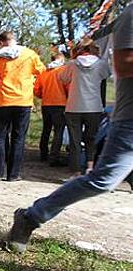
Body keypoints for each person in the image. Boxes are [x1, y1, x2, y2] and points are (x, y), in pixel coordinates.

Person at [7, 3, 133, 253]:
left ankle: (73, 168)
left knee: (72, 141)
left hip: (70, 105)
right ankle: (32, 216)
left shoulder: (70, 66)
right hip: (121, 116)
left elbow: (60, 80)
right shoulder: (131, 16)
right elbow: (122, 66)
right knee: (102, 178)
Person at [0, 31, 45, 182]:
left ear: (0, 42)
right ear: (14, 40)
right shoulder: (29, 54)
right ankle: (14, 174)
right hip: (23, 101)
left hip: (3, 100)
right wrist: (35, 87)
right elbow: (42, 72)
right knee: (18, 137)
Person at [59, 38, 111, 177]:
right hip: (94, 106)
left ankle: (75, 171)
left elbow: (62, 78)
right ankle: (90, 168)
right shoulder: (101, 64)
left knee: (75, 141)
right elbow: (107, 74)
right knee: (91, 139)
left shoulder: (72, 64)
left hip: (73, 106)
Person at [34, 52, 68, 166]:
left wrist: (44, 95)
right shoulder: (63, 71)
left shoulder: (44, 72)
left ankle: (43, 154)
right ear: (61, 60)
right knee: (58, 131)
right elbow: (68, 87)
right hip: (60, 104)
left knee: (46, 129)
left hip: (46, 104)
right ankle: (54, 157)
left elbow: (36, 89)